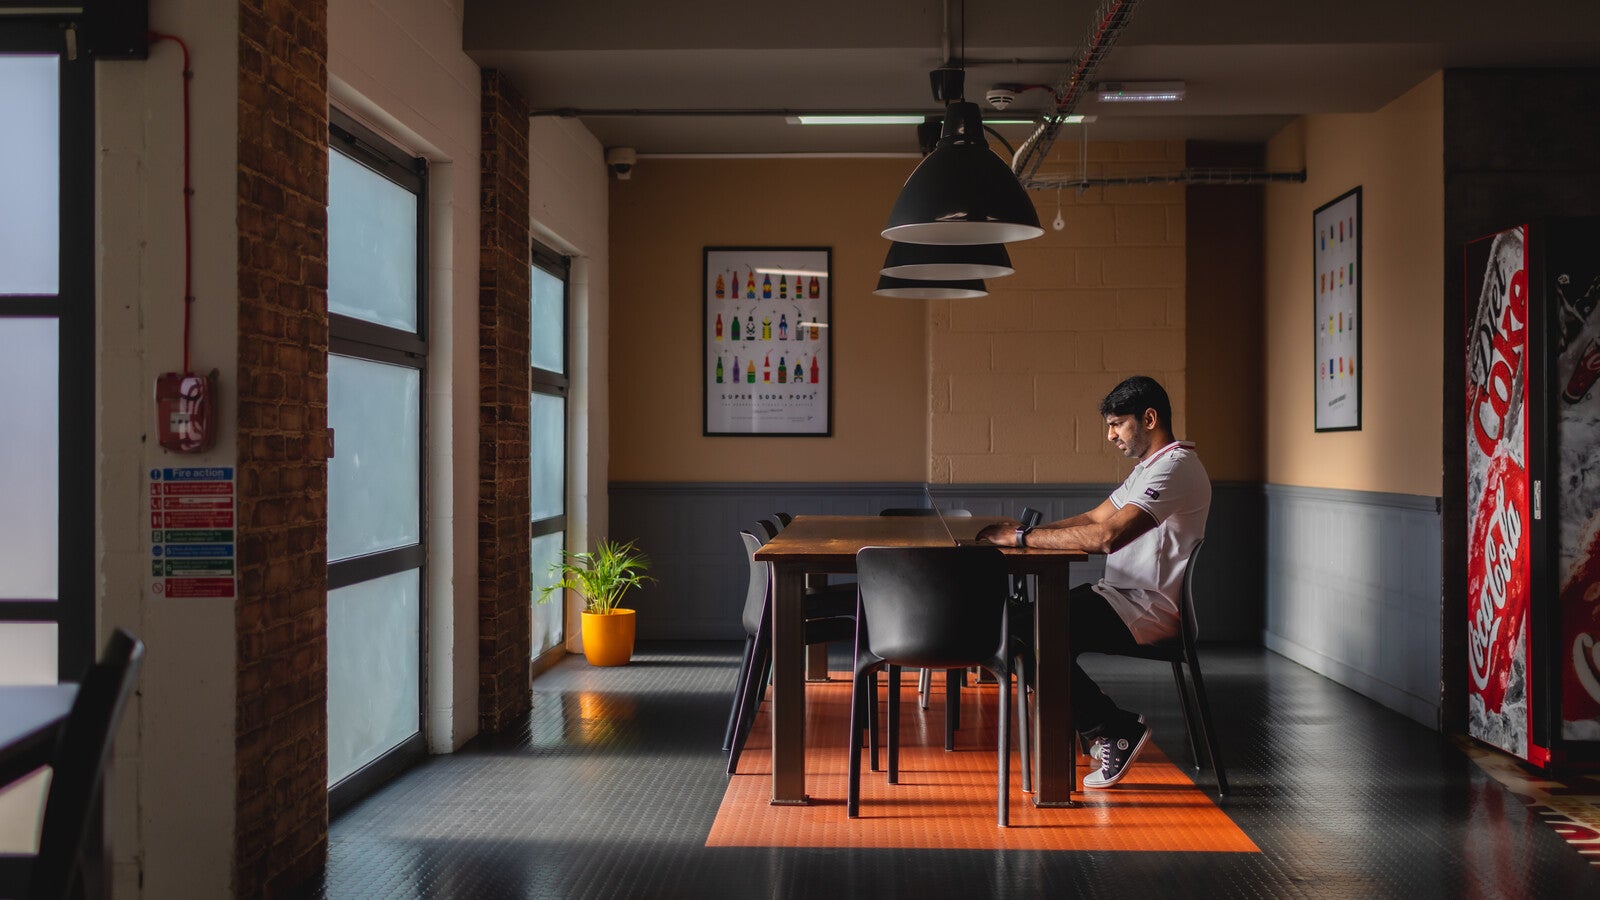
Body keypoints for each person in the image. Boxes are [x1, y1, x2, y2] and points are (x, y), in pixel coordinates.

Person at [977, 375, 1210, 788]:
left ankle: (1113, 730)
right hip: (1121, 599)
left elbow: (1106, 537)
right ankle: (1104, 726)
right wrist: (1028, 533)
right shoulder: (1150, 468)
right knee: (1020, 625)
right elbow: (1095, 517)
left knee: (1024, 632)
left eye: (1117, 424)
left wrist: (1022, 540)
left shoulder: (1175, 468)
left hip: (1147, 611)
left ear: (1149, 418)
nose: (1110, 435)